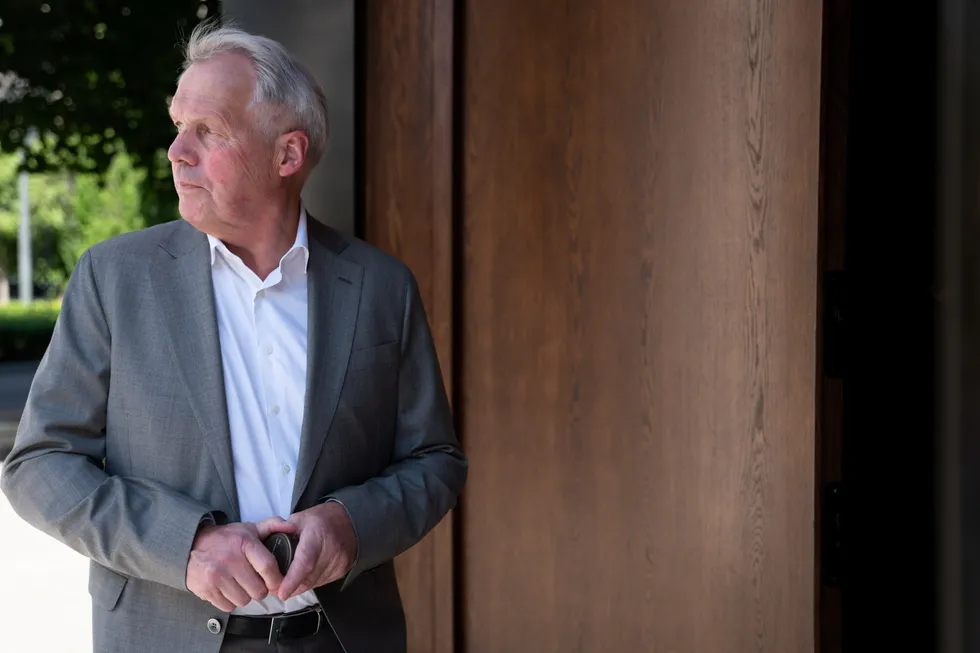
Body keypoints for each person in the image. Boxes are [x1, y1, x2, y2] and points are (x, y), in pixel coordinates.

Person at [0, 20, 466, 653]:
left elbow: (434, 461)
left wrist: (352, 525)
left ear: (287, 155)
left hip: (340, 638)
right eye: (177, 126)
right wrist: (185, 545)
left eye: (208, 131)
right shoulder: (114, 278)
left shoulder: (381, 287)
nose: (176, 151)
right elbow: (39, 465)